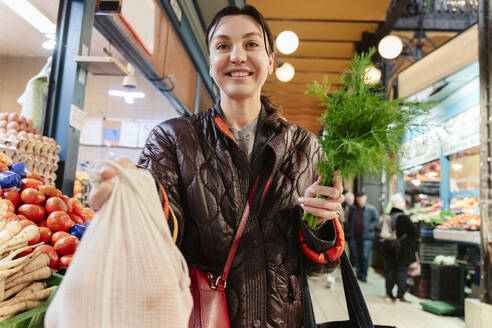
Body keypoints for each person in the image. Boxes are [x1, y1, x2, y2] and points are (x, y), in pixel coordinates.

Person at [89, 5, 346, 328]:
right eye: (223, 46)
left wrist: (320, 222)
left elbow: (320, 267)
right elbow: (163, 235)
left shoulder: (305, 147)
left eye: (251, 44)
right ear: (211, 63)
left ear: (270, 60)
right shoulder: (173, 138)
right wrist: (135, 198)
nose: (237, 56)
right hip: (202, 317)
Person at [384, 193, 417, 303]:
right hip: (403, 250)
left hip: (390, 248)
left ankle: (389, 293)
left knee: (390, 271)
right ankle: (400, 296)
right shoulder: (404, 218)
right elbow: (414, 233)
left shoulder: (388, 217)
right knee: (402, 272)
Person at [347, 191, 379, 282]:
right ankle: (358, 274)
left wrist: (370, 227)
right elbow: (350, 221)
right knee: (356, 256)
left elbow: (376, 220)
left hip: (366, 237)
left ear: (365, 198)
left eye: (361, 199)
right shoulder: (354, 209)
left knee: (365, 256)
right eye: (358, 199)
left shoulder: (371, 209)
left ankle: (364, 275)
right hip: (355, 237)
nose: (360, 201)